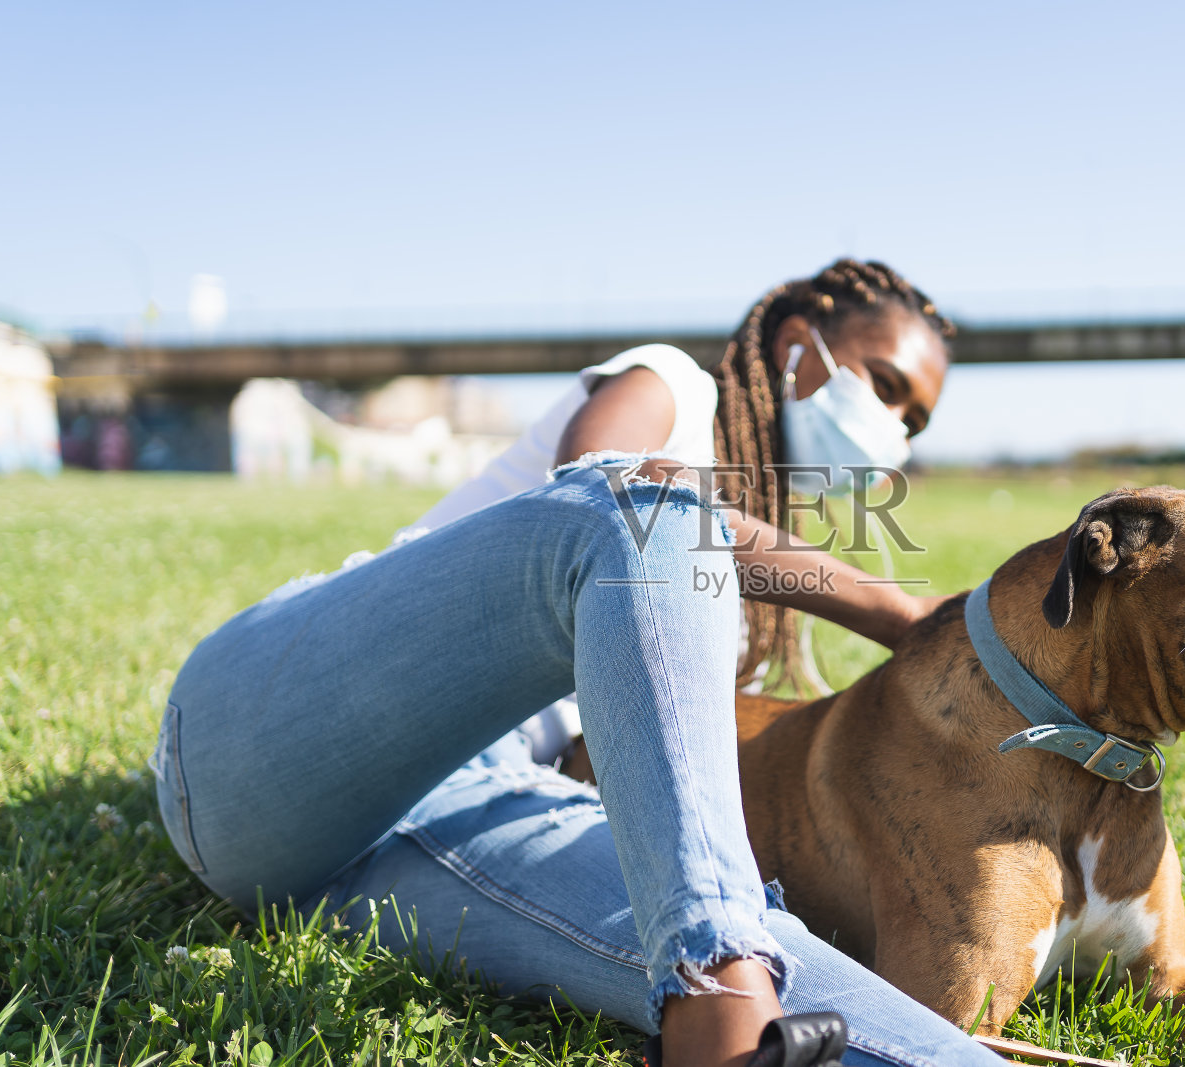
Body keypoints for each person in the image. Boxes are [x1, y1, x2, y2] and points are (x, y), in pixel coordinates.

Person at [152, 259, 1006, 1067]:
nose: (891, 426)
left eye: (914, 420)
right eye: (885, 384)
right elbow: (603, 488)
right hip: (276, 736)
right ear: (794, 343)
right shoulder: (672, 386)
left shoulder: (731, 599)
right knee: (653, 514)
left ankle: (723, 993)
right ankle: (718, 985)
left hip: (443, 824)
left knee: (782, 966)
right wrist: (900, 611)